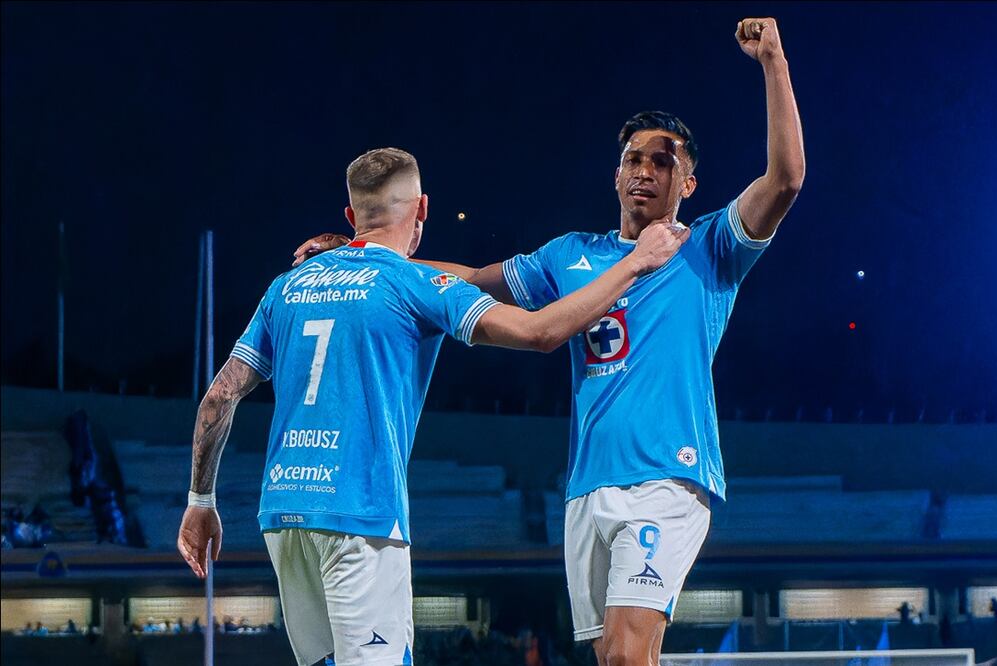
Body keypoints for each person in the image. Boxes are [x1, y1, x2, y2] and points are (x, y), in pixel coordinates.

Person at [295, 18, 803, 666]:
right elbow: (474, 279)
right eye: (632, 159)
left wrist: (772, 62)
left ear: (688, 183)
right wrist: (361, 252)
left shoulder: (709, 247)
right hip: (587, 485)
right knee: (611, 656)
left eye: (662, 160)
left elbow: (785, 179)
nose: (644, 171)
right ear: (615, 175)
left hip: (668, 477)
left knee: (626, 653)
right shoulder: (571, 256)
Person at [177, 148, 688, 666]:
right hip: (360, 517)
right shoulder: (416, 285)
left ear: (351, 217)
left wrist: (200, 500)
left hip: (283, 516)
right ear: (422, 208)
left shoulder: (286, 286)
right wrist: (636, 262)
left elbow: (219, 396)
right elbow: (541, 332)